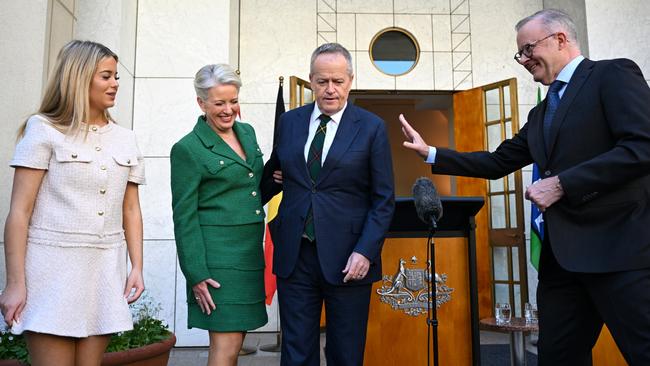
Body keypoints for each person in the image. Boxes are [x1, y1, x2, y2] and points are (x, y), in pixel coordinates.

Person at [400, 9, 650, 366]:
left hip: (621, 254)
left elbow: (642, 147)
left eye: (528, 49)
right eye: (520, 53)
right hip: (563, 265)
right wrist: (432, 152)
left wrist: (563, 183)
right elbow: (497, 162)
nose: (524, 60)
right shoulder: (541, 113)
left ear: (560, 39)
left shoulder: (612, 75)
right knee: (556, 358)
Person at [0, 40, 145, 366]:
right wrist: (14, 284)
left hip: (104, 270)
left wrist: (136, 266)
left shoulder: (126, 138)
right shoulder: (43, 130)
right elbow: (19, 213)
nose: (115, 84)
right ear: (79, 78)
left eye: (116, 76)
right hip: (51, 271)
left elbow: (131, 209)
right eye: (106, 76)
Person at [262, 43, 395, 366]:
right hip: (296, 255)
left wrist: (365, 251)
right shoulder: (290, 122)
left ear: (350, 80)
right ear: (311, 81)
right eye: (322, 81)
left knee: (345, 353)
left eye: (337, 81)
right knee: (295, 353)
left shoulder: (372, 127)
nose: (330, 89)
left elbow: (383, 199)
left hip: (349, 259)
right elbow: (273, 173)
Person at [170, 63, 271, 366]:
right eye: (219, 103)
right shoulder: (188, 149)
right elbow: (183, 216)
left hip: (248, 255)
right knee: (225, 346)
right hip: (217, 261)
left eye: (233, 101)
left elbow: (253, 186)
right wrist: (196, 273)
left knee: (235, 342)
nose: (229, 110)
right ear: (201, 103)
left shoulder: (247, 132)